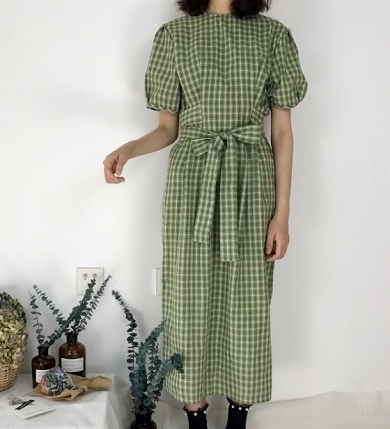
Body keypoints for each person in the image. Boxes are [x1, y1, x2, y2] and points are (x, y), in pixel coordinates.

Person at [103, 0, 307, 427]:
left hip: (251, 181)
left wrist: (282, 214)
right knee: (187, 298)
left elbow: (282, 131)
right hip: (192, 180)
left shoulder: (273, 36)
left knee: (248, 297)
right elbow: (168, 129)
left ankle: (238, 418)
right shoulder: (174, 36)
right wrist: (129, 149)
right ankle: (195, 418)